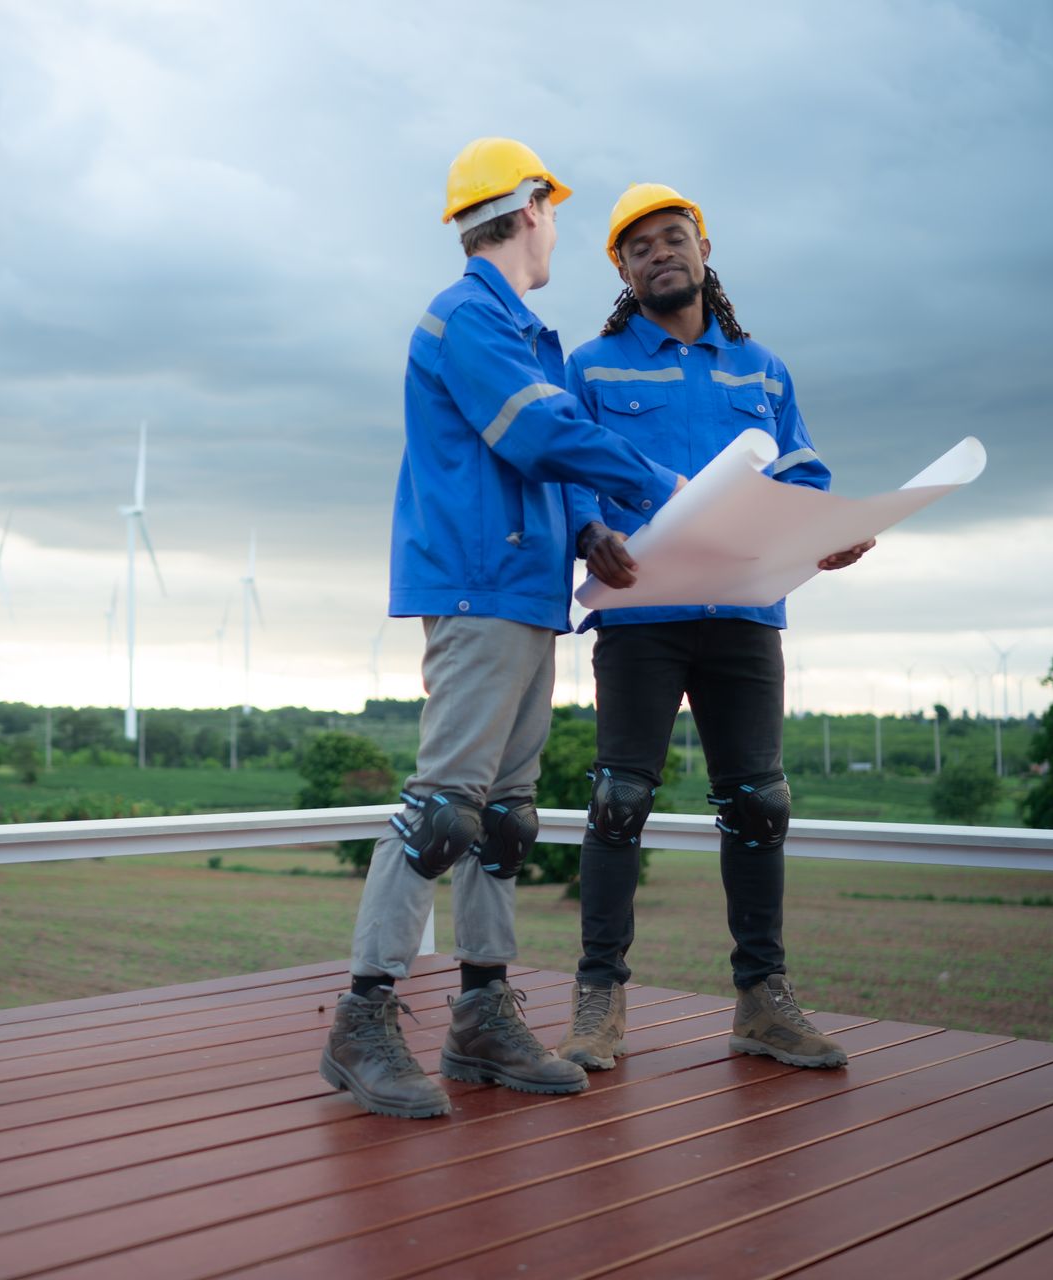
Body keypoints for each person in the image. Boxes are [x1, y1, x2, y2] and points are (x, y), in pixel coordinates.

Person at [319, 141, 685, 1120]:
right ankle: (363, 1016)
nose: (557, 227)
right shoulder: (469, 320)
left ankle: (483, 1009)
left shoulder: (526, 333)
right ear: (528, 209)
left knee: (505, 817)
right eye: (554, 211)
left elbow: (545, 471)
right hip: (481, 589)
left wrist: (593, 528)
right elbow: (535, 434)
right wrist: (656, 487)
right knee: (443, 809)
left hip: (530, 592)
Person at [554, 183, 873, 1074]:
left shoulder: (762, 371)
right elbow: (568, 473)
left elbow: (802, 470)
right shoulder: (592, 366)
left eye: (675, 238)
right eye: (641, 246)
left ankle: (763, 1003)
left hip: (744, 613)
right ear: (622, 269)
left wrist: (829, 529)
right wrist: (590, 532)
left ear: (703, 250)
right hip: (641, 614)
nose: (661, 253)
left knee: (758, 805)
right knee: (620, 800)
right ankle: (598, 1001)